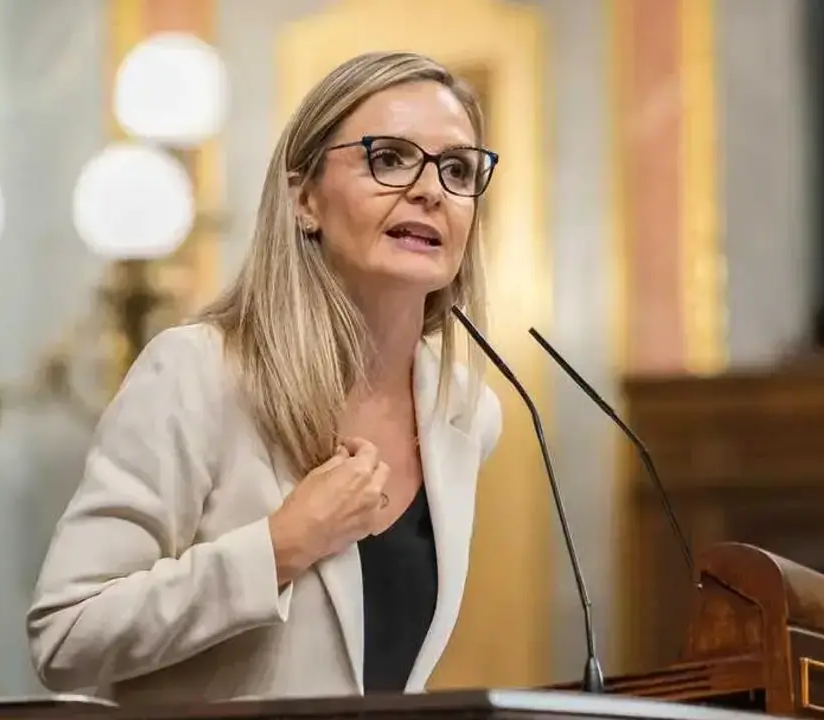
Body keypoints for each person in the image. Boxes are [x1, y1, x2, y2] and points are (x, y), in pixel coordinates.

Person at [26, 51, 503, 703]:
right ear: (304, 197)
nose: (429, 189)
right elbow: (66, 636)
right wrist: (280, 546)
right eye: (389, 158)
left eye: (457, 170)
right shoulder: (199, 373)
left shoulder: (466, 413)